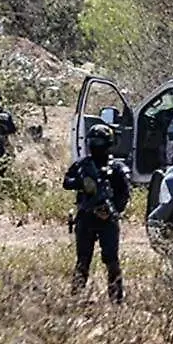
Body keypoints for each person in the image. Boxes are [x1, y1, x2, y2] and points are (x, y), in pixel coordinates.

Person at [64, 124, 131, 303]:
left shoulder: (116, 168)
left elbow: (124, 194)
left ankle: (116, 300)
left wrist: (111, 211)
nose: (96, 145)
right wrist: (82, 182)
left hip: (107, 219)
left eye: (99, 142)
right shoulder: (83, 165)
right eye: (93, 141)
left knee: (111, 261)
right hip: (86, 217)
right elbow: (66, 181)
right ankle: (76, 298)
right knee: (83, 261)